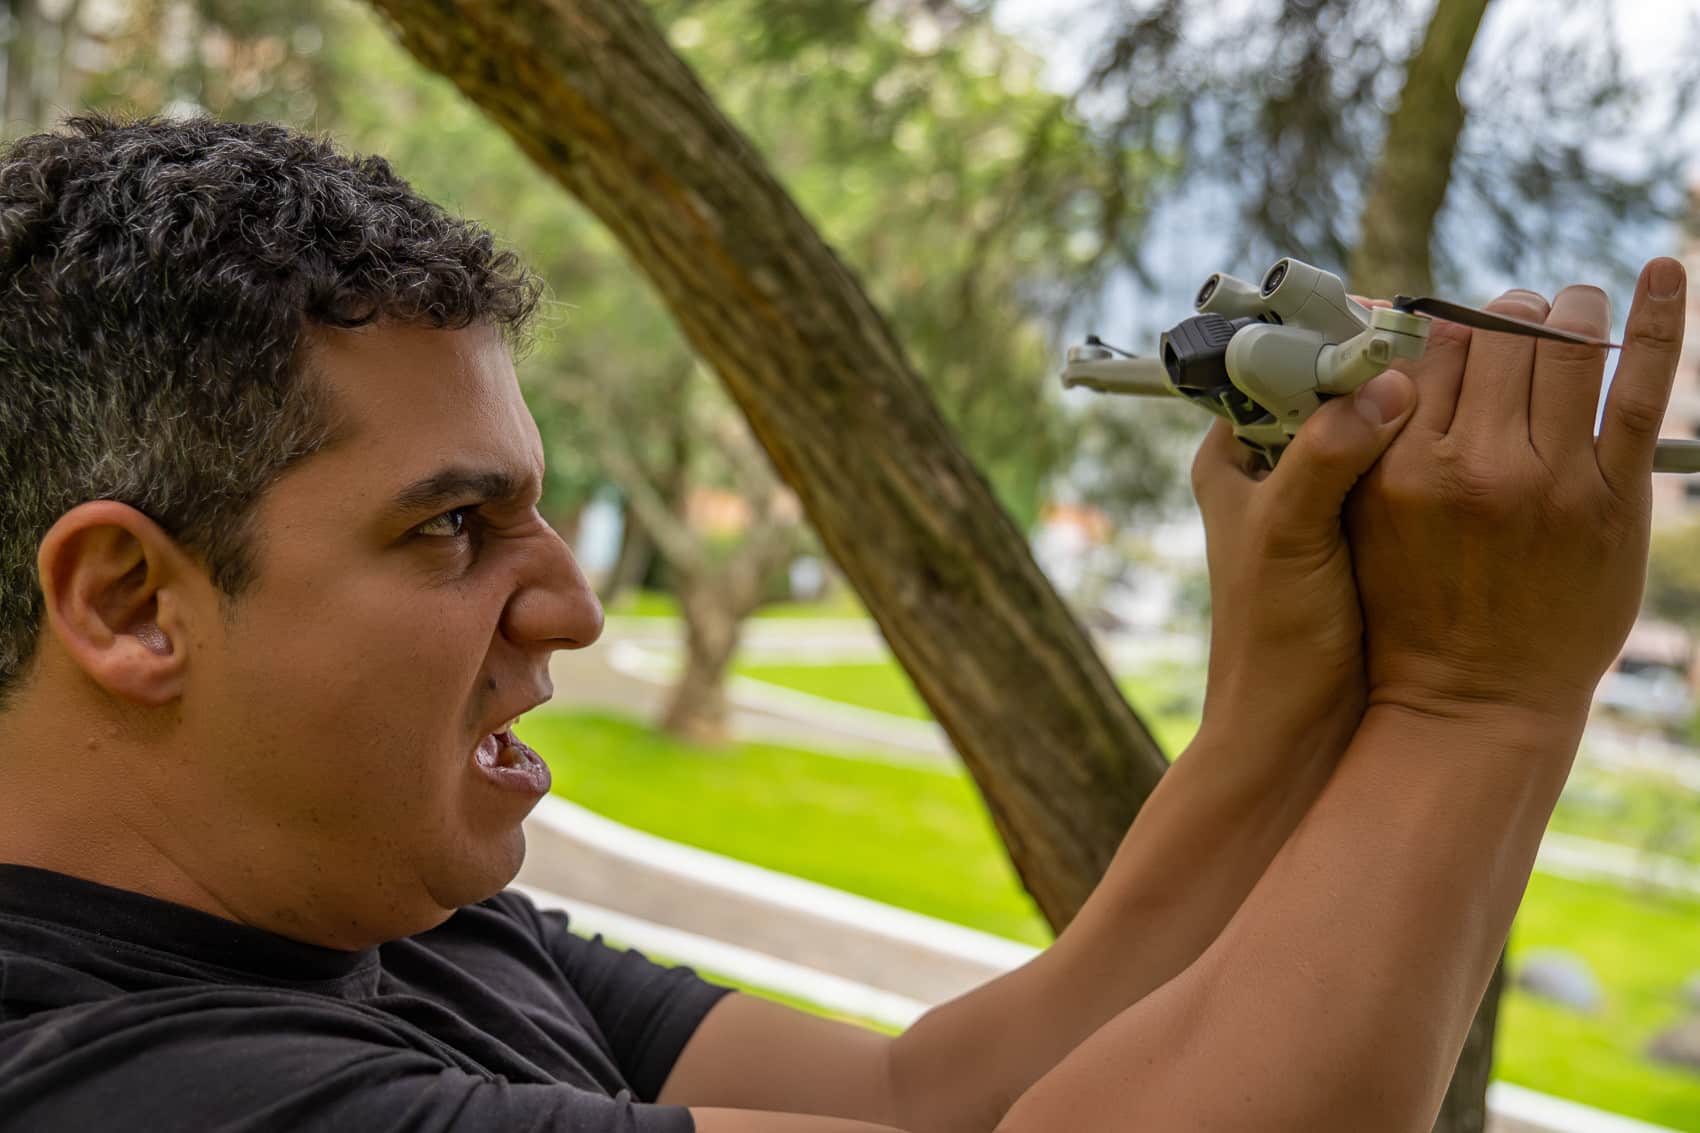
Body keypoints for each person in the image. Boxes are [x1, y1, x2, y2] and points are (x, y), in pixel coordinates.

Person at [0, 114, 1685, 1133]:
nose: (575, 604)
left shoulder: (361, 904)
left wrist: (1285, 704)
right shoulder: (105, 1082)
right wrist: (1479, 704)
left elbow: (931, 1101)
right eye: (454, 527)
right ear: (132, 605)